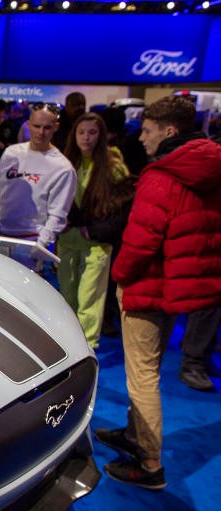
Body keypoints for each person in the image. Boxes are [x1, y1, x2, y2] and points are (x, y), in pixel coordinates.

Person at [97, 96, 221, 489]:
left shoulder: (161, 176)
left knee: (142, 376)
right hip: (178, 287)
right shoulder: (212, 169)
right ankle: (134, 435)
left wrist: (119, 275)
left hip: (148, 285)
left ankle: (149, 464)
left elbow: (140, 240)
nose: (142, 137)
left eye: (148, 130)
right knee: (148, 369)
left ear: (169, 131)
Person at [57, 113, 133, 349]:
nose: (86, 138)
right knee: (67, 299)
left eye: (92, 132)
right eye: (81, 132)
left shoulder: (114, 167)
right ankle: (69, 346)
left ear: (101, 135)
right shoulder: (65, 162)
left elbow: (122, 208)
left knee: (89, 300)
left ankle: (87, 348)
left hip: (97, 244)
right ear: (74, 134)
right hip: (67, 241)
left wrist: (97, 231)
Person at [0, 103, 77, 272]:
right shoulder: (11, 153)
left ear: (56, 127)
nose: (41, 132)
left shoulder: (62, 167)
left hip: (30, 239)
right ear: (28, 124)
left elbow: (58, 215)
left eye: (47, 127)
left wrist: (40, 246)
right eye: (36, 126)